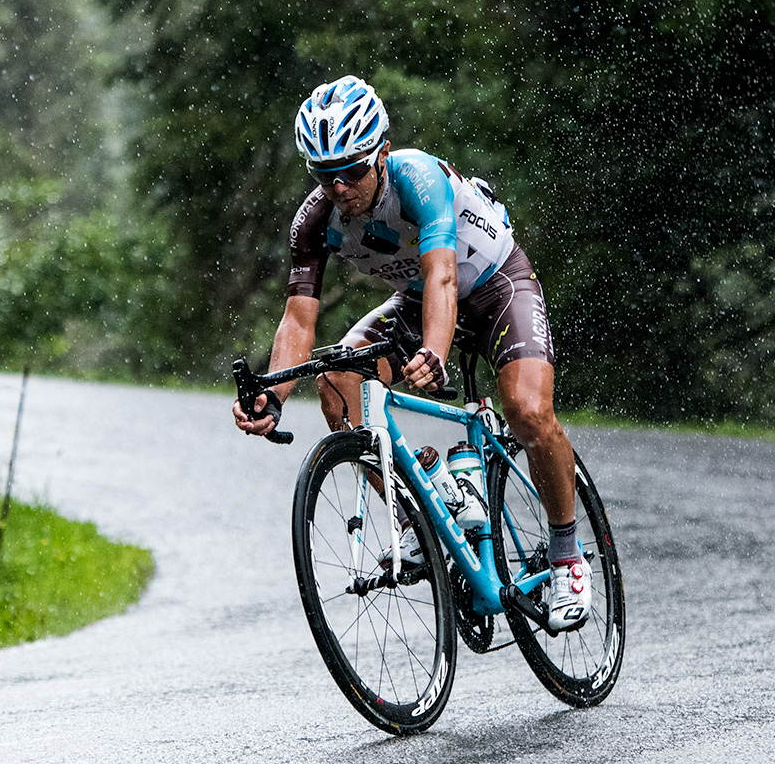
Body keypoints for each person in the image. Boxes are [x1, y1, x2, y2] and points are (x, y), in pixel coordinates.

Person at [231, 75, 589, 631]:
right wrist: (271, 395)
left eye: (352, 169)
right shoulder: (315, 220)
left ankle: (568, 555)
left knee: (528, 412)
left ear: (381, 153)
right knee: (337, 380)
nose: (340, 187)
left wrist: (435, 351)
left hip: (494, 286)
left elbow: (443, 276)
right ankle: (418, 517)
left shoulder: (418, 179)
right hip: (418, 300)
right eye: (325, 175)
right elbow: (299, 319)